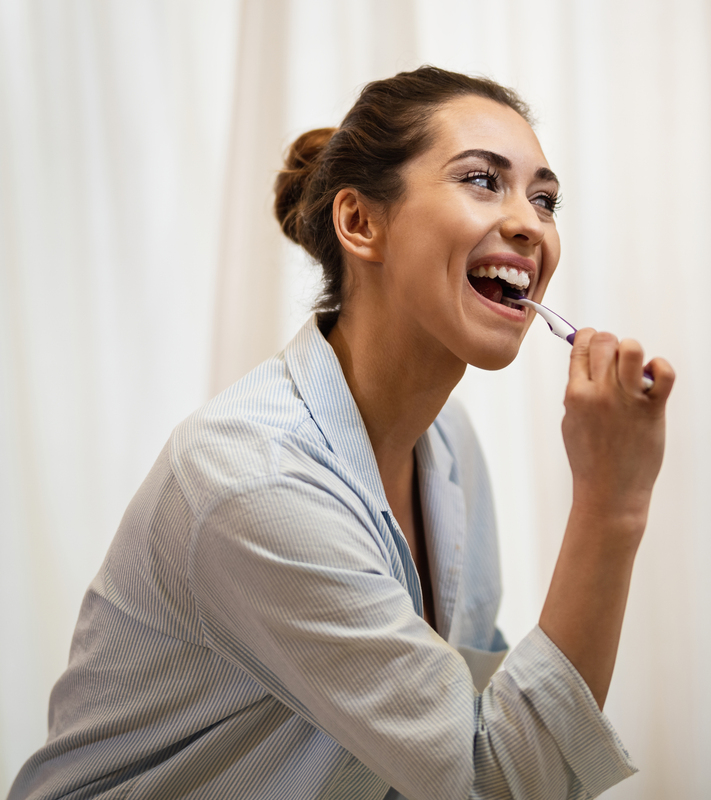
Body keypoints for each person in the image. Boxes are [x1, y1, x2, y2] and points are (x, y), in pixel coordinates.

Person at [9, 66, 674, 800]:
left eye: (544, 199)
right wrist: (612, 505)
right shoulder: (252, 478)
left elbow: (466, 737)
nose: (529, 223)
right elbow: (493, 782)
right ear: (360, 223)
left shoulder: (448, 448)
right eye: (484, 181)